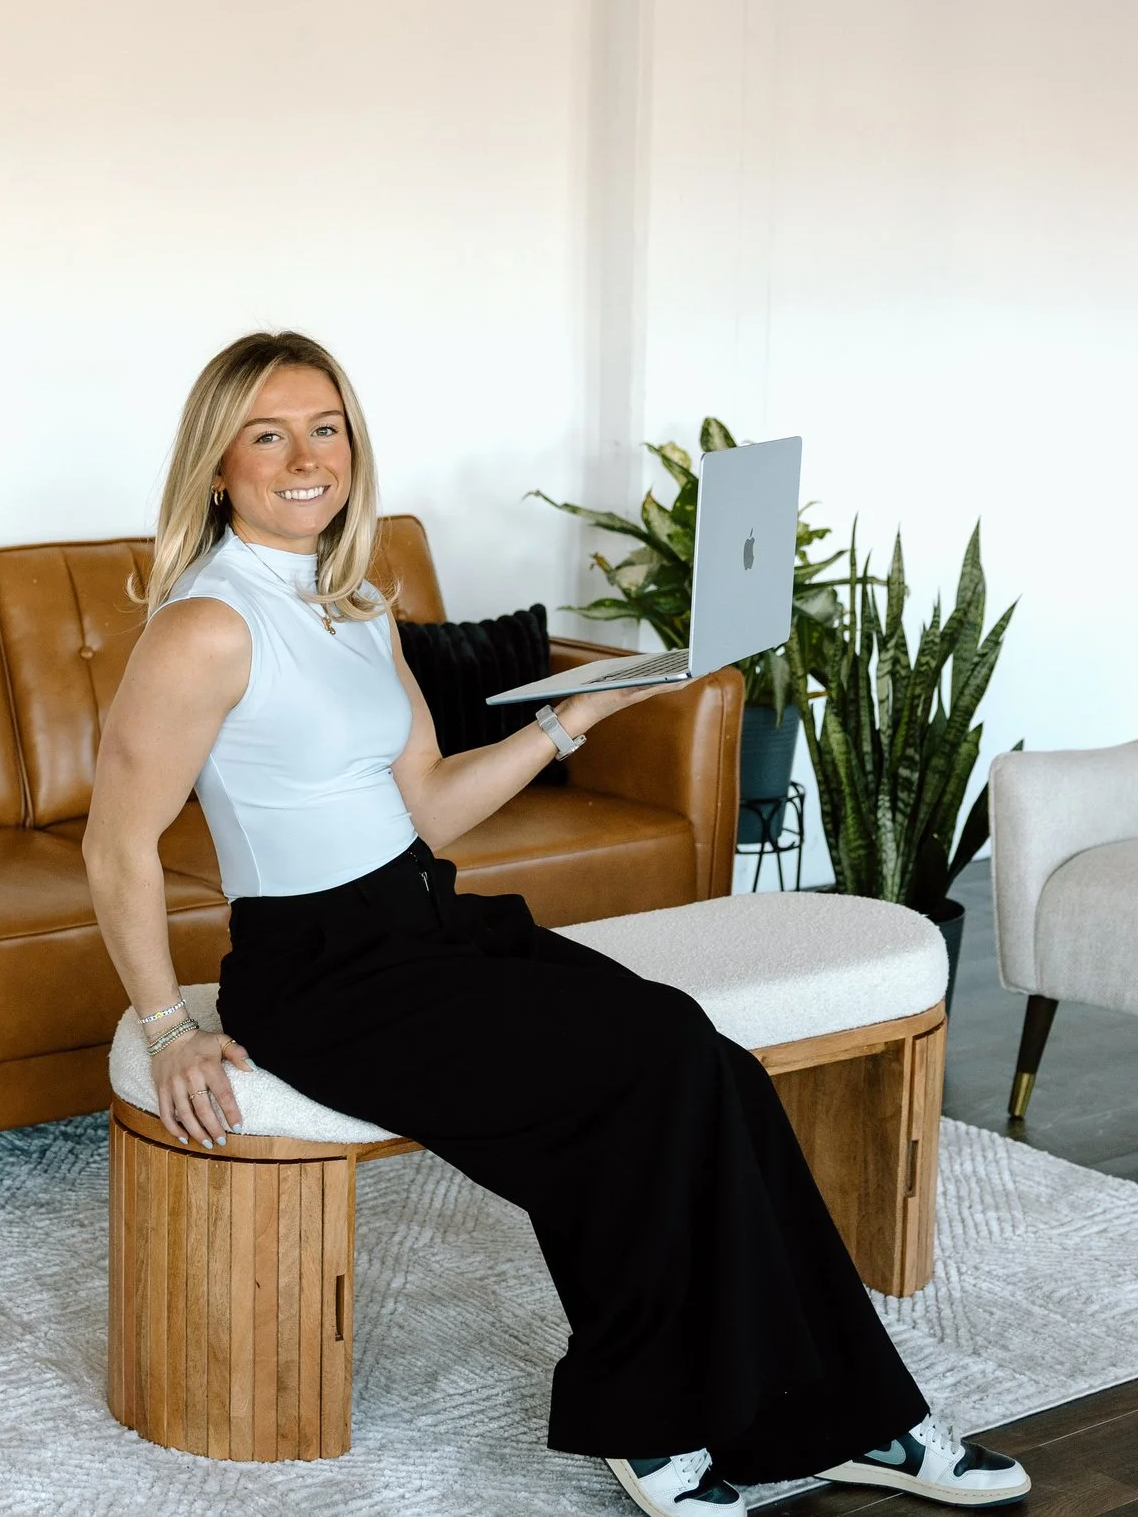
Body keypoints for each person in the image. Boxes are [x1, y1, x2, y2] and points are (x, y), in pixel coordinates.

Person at [82, 331, 1031, 1513]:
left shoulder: (355, 603)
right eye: (267, 435)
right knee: (646, 1070)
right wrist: (167, 1025)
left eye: (325, 428)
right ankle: (653, 1426)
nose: (305, 457)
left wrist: (576, 715)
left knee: (714, 1068)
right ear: (219, 464)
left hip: (426, 926)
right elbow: (114, 842)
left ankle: (858, 1420)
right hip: (322, 973)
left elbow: (426, 806)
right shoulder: (207, 625)